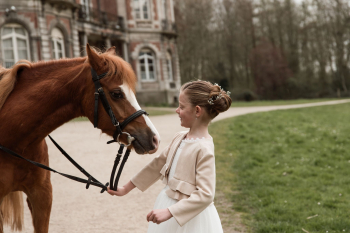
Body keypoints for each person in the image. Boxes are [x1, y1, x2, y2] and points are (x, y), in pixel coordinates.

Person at [107, 80, 232, 233]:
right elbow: (156, 165)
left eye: (182, 106)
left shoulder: (204, 149)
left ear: (197, 111)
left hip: (190, 218)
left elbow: (206, 194)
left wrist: (170, 212)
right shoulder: (180, 137)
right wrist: (125, 188)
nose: (177, 110)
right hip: (167, 204)